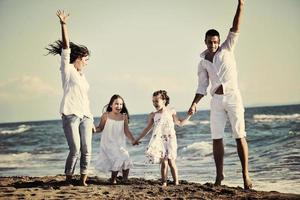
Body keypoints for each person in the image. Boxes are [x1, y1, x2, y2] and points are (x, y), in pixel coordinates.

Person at [187, 0, 252, 189]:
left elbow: (235, 26)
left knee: (240, 135)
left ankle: (245, 175)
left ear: (219, 41)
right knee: (216, 137)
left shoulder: (228, 47)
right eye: (210, 42)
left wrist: (241, 5)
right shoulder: (203, 63)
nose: (213, 44)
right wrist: (194, 103)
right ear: (205, 42)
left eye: (215, 41)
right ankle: (219, 175)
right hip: (216, 101)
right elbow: (202, 86)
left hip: (233, 97)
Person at [45, 10, 93, 186]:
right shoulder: (68, 70)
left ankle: (83, 180)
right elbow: (66, 48)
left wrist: (91, 118)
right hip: (71, 114)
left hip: (86, 116)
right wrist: (63, 25)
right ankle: (69, 178)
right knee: (75, 149)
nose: (87, 63)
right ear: (78, 58)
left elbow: (85, 99)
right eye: (86, 60)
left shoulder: (82, 76)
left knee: (87, 149)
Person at [134, 90, 191, 187]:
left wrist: (189, 115)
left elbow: (179, 123)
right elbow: (147, 129)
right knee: (164, 162)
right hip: (160, 141)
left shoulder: (171, 111)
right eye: (153, 101)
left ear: (164, 100)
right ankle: (164, 181)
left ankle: (176, 182)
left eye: (156, 101)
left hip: (171, 140)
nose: (154, 103)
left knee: (171, 161)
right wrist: (138, 139)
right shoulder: (153, 115)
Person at [95, 94, 136, 184]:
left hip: (120, 143)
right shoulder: (106, 115)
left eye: (121, 104)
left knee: (126, 157)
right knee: (118, 158)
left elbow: (126, 131)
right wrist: (93, 130)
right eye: (116, 104)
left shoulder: (124, 116)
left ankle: (125, 179)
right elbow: (100, 128)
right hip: (108, 143)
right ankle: (113, 179)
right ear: (111, 105)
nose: (119, 106)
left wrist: (133, 140)